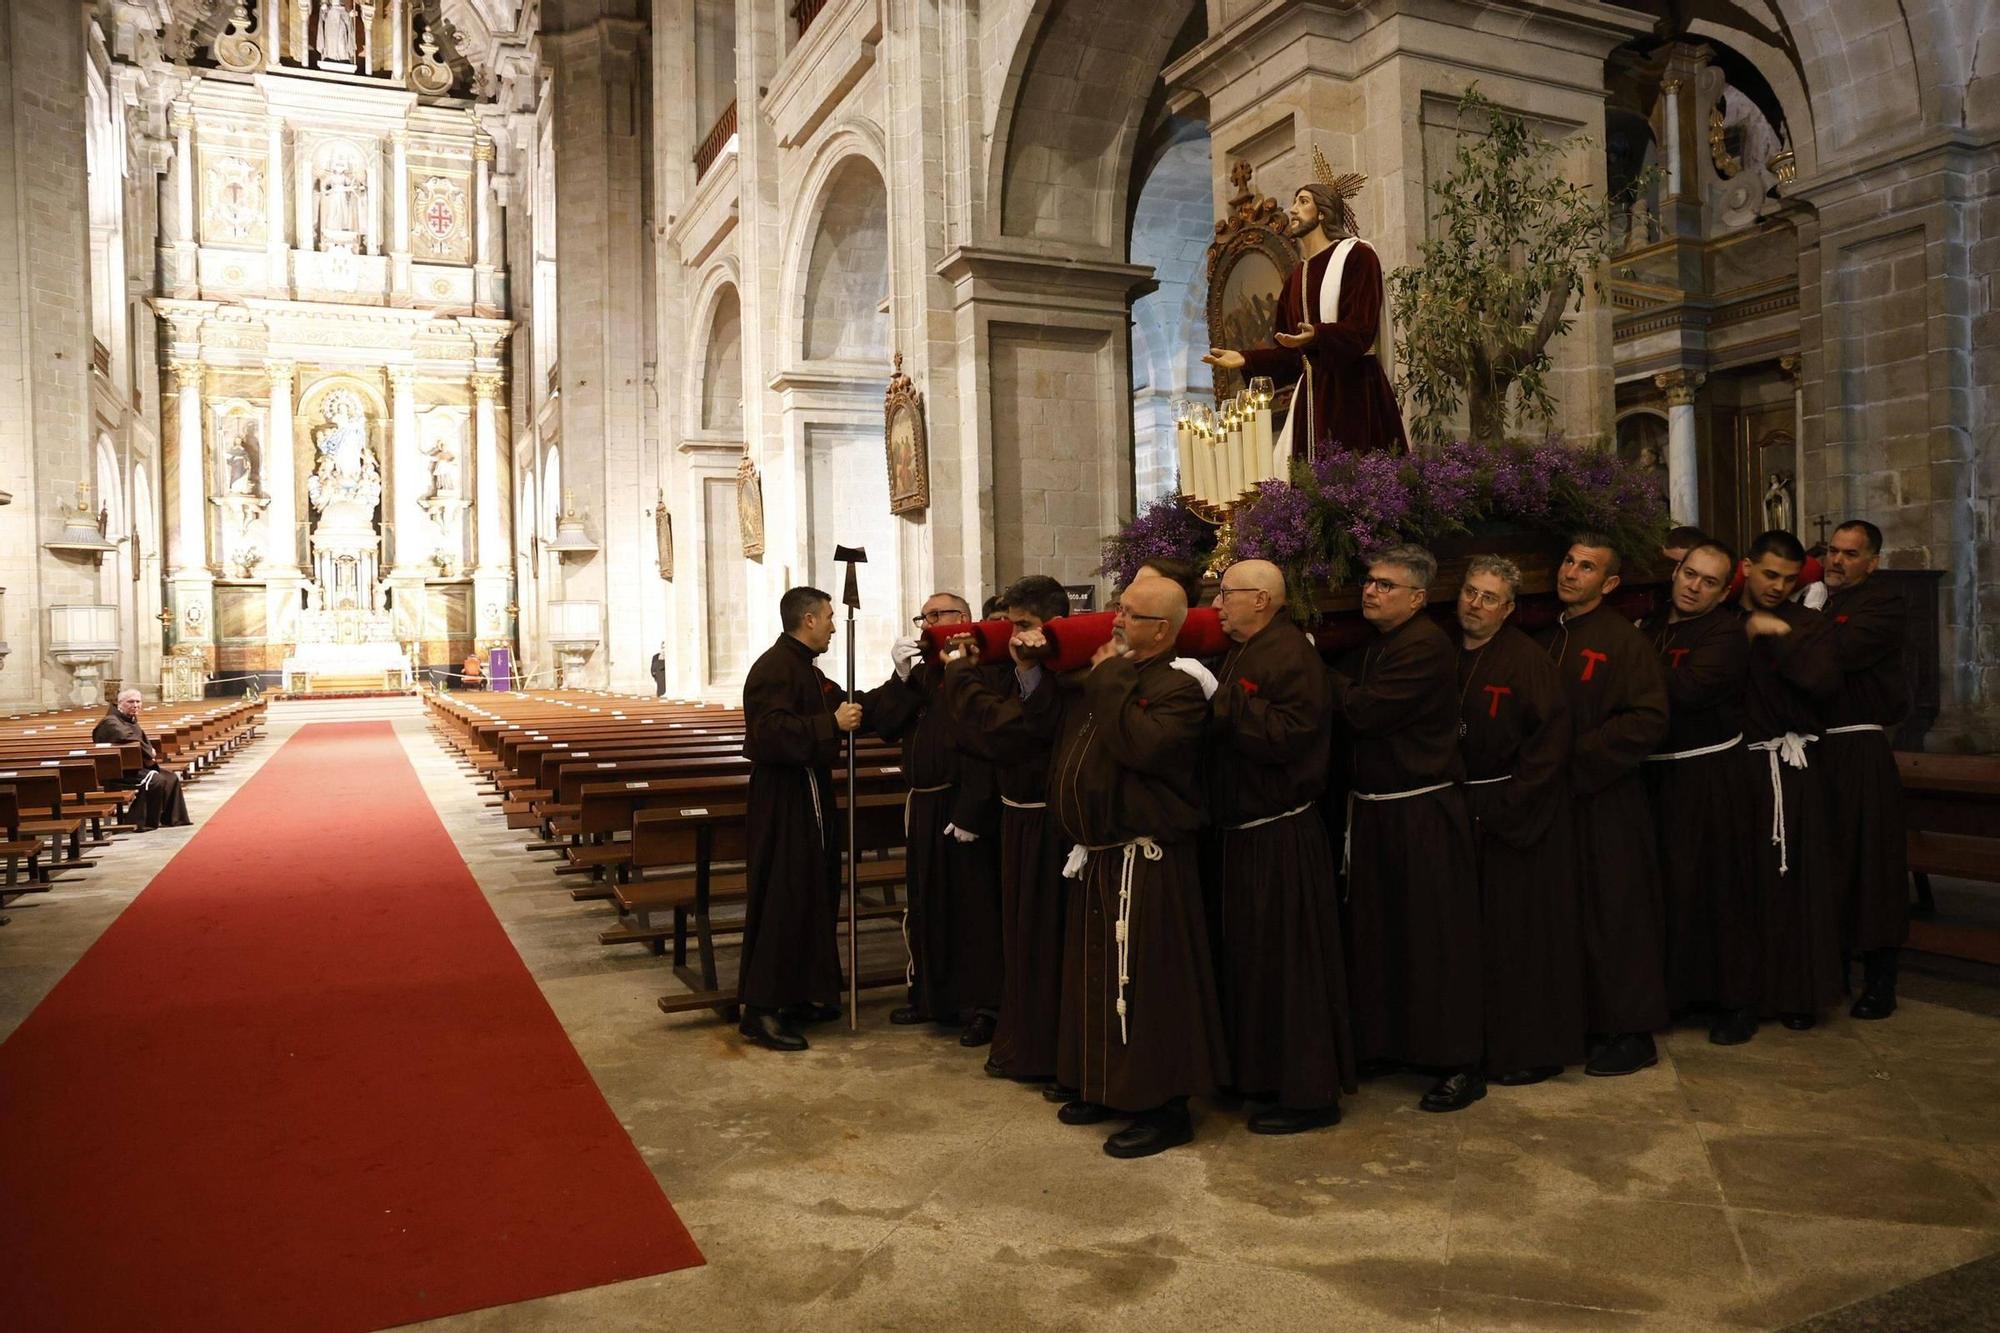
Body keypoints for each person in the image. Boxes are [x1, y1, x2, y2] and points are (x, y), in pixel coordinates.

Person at [1037, 576, 1227, 1158]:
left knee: (1150, 986)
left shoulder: (1178, 688)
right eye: (1120, 609)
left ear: (1163, 630)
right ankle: (1104, 1083)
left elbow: (1143, 749)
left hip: (1147, 861)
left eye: (1132, 615)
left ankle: (1163, 1107)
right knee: (1096, 978)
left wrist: (1110, 676)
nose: (1117, 620)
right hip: (1098, 859)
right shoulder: (1112, 678)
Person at [1331, 545, 1483, 1112]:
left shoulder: (1424, 646)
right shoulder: (1381, 643)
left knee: (1434, 940)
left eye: (1385, 585)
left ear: (1418, 598)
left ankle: (1458, 1063)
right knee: (1382, 933)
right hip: (1377, 810)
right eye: (1369, 581)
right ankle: (1394, 1043)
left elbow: (1368, 711)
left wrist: (1317, 677)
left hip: (1422, 814)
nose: (1370, 591)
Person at [1205, 559, 1353, 1134]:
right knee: (1254, 965)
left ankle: (1308, 1095)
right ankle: (1261, 1077)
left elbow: (1288, 737)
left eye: (1225, 595)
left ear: (1262, 601)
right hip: (1244, 834)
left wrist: (1221, 698)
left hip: (1280, 835)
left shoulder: (1290, 653)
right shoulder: (1249, 649)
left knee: (1290, 969)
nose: (1216, 606)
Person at [1537, 534, 1670, 1076]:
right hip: (1559, 799)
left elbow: (1647, 721)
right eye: (1568, 560)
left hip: (1606, 797)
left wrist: (1576, 759)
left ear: (1609, 583)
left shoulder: (1623, 641)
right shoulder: (1549, 636)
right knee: (1575, 913)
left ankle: (1633, 1033)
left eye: (1586, 567)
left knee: (1616, 913)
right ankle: (1591, 1022)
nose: (1570, 572)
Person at [1454, 556, 1584, 1087]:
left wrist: (1507, 807)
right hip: (1462, 810)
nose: (1475, 604)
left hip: (1512, 815)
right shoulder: (1446, 651)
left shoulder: (1525, 661)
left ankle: (1531, 1049)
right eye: (1469, 592)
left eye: (1488, 598)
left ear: (1508, 609)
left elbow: (1549, 743)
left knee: (1519, 941)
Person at [943, 575, 1073, 1088]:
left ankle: (1048, 1048)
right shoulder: (1016, 668)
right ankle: (1024, 1040)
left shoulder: (1064, 671)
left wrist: (961, 678)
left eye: (1023, 625)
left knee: (1044, 939)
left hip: (1049, 823)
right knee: (1019, 939)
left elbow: (1011, 731)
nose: (1014, 636)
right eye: (1010, 625)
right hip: (1016, 815)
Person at [722, 587, 864, 1052]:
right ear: (807, 619)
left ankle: (801, 993)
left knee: (811, 893)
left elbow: (847, 706)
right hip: (784, 795)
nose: (831, 625)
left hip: (809, 790)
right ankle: (760, 1011)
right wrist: (830, 726)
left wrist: (904, 680)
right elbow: (767, 734)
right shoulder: (774, 669)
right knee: (783, 896)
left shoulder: (803, 668)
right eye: (826, 617)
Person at [1203, 160, 1407, 460]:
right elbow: (1289, 355)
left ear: (1323, 213)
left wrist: (1317, 335)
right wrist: (1245, 358)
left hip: (1354, 394)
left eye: (1303, 202)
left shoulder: (1358, 255)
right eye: (1294, 202)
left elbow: (1362, 330)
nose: (1292, 210)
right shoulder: (1297, 278)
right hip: (1310, 401)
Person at [1643, 540, 1763, 1044]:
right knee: (1667, 892)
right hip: (1656, 775)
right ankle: (1675, 994)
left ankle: (1736, 1002)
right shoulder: (1650, 628)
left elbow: (1687, 691)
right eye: (1689, 574)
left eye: (1708, 581)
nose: (1694, 586)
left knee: (1717, 892)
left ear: (1723, 593)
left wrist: (1623, 675)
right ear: (1675, 575)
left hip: (1710, 777)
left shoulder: (1726, 634)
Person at [871, 593, 1003, 1046]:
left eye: (935, 616)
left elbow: (986, 744)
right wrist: (900, 677)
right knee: (925, 902)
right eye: (921, 617)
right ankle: (929, 995)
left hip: (960, 803)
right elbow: (886, 724)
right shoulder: (923, 672)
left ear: (962, 620)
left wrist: (972, 809)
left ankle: (981, 1005)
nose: (925, 625)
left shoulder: (979, 670)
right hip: (923, 804)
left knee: (970, 905)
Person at [1739, 530, 1845, 1029]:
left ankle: (1798, 995)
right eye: (1769, 575)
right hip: (1737, 770)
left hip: (1791, 766)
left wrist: (1777, 636)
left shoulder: (1810, 625)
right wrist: (1746, 631)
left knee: (1794, 884)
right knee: (1742, 886)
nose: (1778, 586)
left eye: (1788, 579)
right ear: (1746, 568)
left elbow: (1823, 684)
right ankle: (1744, 995)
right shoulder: (1724, 623)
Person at [1817, 519, 1910, 1019]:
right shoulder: (1821, 602)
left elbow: (1837, 654)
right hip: (1816, 750)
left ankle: (1880, 981)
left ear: (1872, 562)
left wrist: (1792, 634)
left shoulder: (1883, 603)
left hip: (1859, 747)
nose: (1837, 560)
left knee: (1871, 863)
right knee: (1827, 863)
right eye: (1833, 551)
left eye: (1851, 554)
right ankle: (1830, 973)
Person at [92, 690, 192, 830]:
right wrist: (149, 753)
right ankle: (139, 822)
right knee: (155, 780)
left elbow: (138, 740)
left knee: (171, 777)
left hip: (133, 768)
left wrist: (148, 755)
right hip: (117, 772)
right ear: (120, 703)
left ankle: (173, 819)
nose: (135, 705)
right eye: (131, 702)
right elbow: (126, 738)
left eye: (138, 701)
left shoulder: (129, 719)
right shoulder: (111, 722)